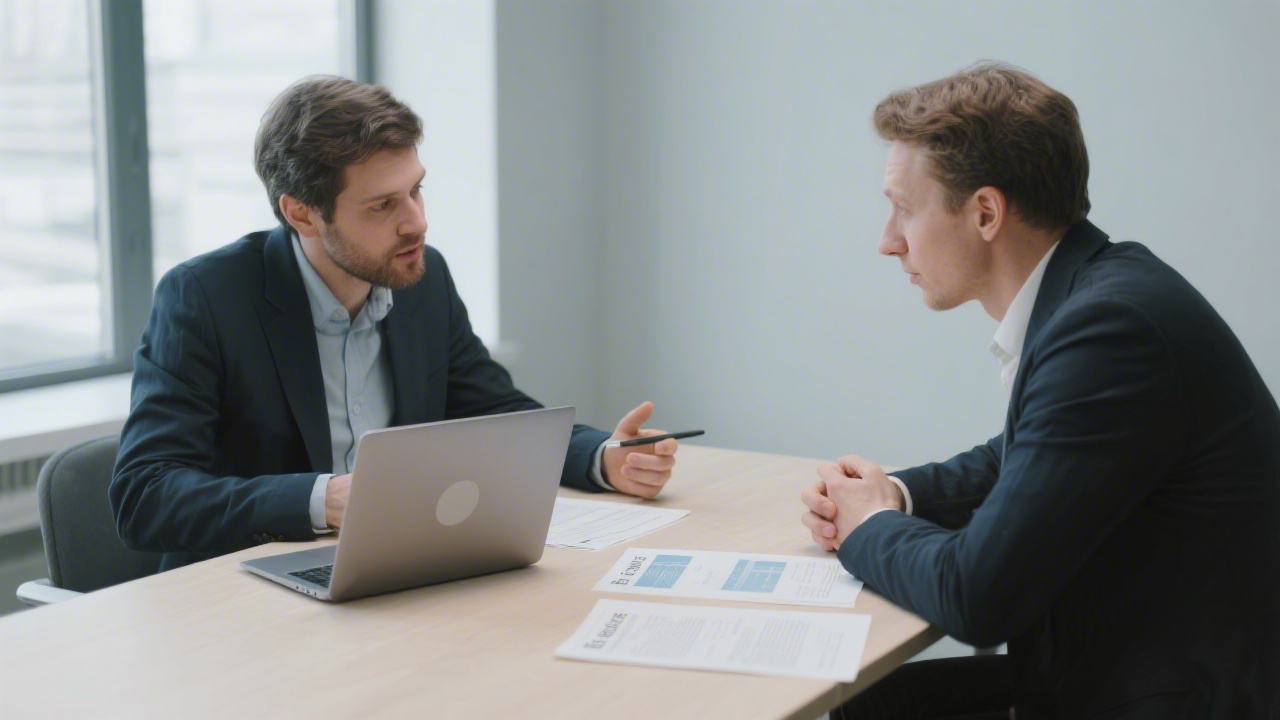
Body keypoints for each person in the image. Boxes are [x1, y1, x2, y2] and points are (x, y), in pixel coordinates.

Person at [801, 63, 1280, 719]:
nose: (888, 242)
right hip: (1128, 661)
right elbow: (1022, 455)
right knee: (872, 705)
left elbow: (978, 598)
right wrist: (898, 495)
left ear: (986, 213)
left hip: (1170, 694)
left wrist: (868, 524)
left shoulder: (1110, 331)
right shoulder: (1101, 289)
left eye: (904, 210)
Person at [112, 75, 681, 572]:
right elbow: (145, 496)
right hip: (247, 601)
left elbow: (499, 415)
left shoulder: (422, 281)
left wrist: (603, 458)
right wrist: (323, 499)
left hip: (396, 579)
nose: (418, 223)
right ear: (301, 213)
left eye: (416, 190)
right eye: (383, 206)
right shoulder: (206, 298)